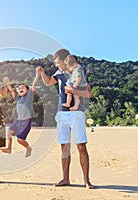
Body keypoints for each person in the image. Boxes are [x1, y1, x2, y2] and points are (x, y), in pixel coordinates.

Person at [36, 49, 93, 189]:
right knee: (64, 147)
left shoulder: (80, 71)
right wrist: (42, 73)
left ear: (65, 60)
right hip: (62, 113)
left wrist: (74, 91)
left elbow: (89, 93)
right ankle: (65, 178)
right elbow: (49, 82)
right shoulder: (59, 74)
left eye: (58, 63)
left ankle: (86, 180)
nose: (56, 65)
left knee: (81, 146)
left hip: (77, 113)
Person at [1, 70, 40, 157]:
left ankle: (28, 148)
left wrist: (37, 75)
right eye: (19, 88)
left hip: (26, 122)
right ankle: (9, 148)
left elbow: (33, 86)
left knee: (20, 140)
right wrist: (7, 83)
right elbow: (11, 91)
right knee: (9, 132)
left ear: (27, 90)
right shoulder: (18, 98)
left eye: (23, 88)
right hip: (19, 121)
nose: (20, 89)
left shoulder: (29, 96)